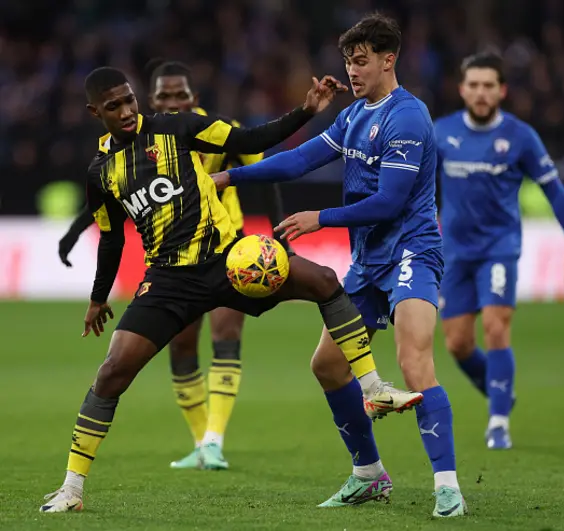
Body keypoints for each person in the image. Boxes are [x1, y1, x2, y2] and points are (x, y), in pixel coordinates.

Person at [40, 66, 389, 513]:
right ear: (95, 112)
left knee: (323, 280)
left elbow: (249, 142)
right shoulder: (101, 171)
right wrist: (97, 297)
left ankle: (373, 385)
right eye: (114, 107)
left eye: (129, 100)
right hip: (168, 281)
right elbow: (111, 237)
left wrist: (306, 109)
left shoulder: (175, 127)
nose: (127, 111)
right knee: (111, 373)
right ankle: (71, 488)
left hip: (229, 262)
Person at [213, 14, 466, 517]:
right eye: (349, 61)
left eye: (362, 61)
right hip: (368, 261)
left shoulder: (408, 118)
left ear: (388, 59)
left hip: (411, 250)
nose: (353, 71)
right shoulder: (353, 115)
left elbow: (391, 201)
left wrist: (319, 218)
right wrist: (230, 177)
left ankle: (448, 486)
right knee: (327, 365)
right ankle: (369, 474)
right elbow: (298, 159)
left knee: (415, 363)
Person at [57, 59, 292, 471]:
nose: (173, 100)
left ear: (193, 98)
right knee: (182, 347)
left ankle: (215, 440)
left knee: (225, 334)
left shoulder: (203, 129)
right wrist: (77, 229)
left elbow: (264, 173)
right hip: (173, 261)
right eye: (164, 95)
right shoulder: (140, 140)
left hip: (228, 247)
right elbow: (114, 197)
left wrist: (278, 229)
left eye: (180, 94)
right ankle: (202, 443)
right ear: (151, 101)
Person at [434, 52, 564, 450]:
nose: (482, 93)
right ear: (462, 90)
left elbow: (554, 189)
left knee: (497, 327)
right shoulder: (441, 133)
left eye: (489, 86)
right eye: (475, 85)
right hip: (453, 254)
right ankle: (502, 392)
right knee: (457, 344)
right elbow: (415, 188)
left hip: (499, 250)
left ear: (501, 90)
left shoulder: (521, 137)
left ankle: (498, 421)